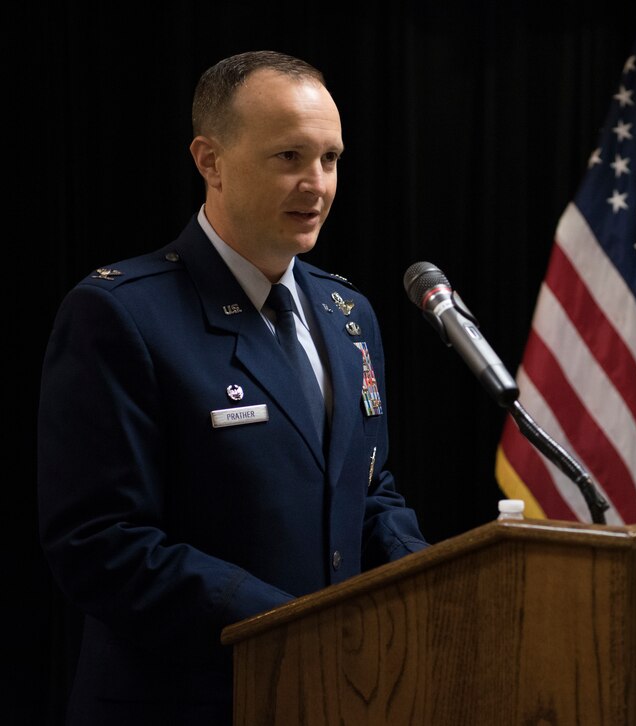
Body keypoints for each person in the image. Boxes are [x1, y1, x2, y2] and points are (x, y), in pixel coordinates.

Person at [37, 50, 429, 725]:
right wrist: (287, 625)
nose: (317, 184)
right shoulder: (123, 314)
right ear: (209, 160)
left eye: (330, 159)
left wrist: (426, 585)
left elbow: (366, 488)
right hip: (187, 700)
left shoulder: (347, 316)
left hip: (332, 693)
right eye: (289, 157)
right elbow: (100, 542)